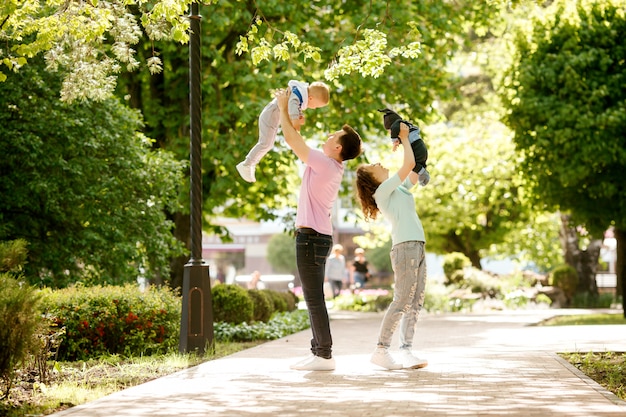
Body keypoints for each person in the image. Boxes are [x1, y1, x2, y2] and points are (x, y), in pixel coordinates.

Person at [274, 88, 362, 372]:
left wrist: (283, 104)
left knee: (313, 299)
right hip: (316, 237)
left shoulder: (325, 164)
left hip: (311, 239)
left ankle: (323, 355)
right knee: (314, 298)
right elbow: (296, 137)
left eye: (333, 136)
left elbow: (290, 139)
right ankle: (319, 352)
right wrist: (292, 117)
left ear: (338, 148)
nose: (327, 136)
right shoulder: (329, 165)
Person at [355, 122, 428, 371]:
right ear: (372, 180)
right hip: (405, 247)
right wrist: (404, 139)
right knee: (402, 300)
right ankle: (381, 349)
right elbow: (406, 165)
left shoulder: (399, 190)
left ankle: (406, 349)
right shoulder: (382, 192)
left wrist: (411, 139)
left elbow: (415, 171)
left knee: (415, 301)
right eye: (376, 167)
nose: (381, 165)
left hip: (417, 245)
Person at [236, 80, 330, 183]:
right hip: (269, 117)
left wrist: (299, 118)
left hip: (271, 118)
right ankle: (247, 164)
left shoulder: (299, 95)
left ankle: (248, 164)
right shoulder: (297, 97)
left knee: (268, 144)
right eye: (316, 106)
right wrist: (297, 125)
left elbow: (294, 112)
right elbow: (294, 118)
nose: (314, 108)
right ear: (311, 98)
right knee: (265, 144)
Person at [378, 108, 430, 186]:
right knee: (418, 164)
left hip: (417, 148)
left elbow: (395, 129)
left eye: (389, 131)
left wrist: (394, 141)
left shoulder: (397, 124)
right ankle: (423, 175)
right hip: (420, 148)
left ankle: (422, 172)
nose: (390, 134)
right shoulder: (406, 126)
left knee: (412, 165)